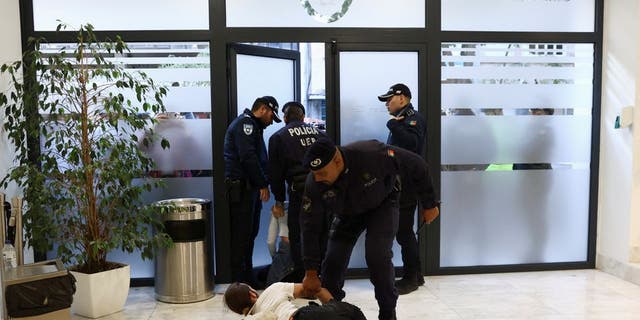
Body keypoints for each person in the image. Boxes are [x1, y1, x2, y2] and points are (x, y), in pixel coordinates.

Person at [299, 138, 440, 320]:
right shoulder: (315, 183)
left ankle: (388, 312)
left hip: (383, 204)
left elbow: (417, 164)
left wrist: (429, 204)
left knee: (377, 256)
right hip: (348, 214)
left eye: (322, 173)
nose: (317, 179)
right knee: (332, 262)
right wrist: (310, 271)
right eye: (314, 173)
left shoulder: (371, 153)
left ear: (337, 160)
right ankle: (333, 312)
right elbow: (309, 227)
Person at [224, 96, 281, 287]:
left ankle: (247, 277)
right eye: (272, 115)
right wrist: (263, 184)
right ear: (263, 109)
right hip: (242, 189)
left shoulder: (252, 126)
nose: (271, 121)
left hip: (249, 188)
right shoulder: (246, 125)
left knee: (250, 234)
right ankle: (238, 282)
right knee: (242, 236)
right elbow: (247, 157)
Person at [268, 101, 328, 282]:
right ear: (303, 117)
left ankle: (304, 277)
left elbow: (275, 174)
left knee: (298, 235)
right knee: (321, 232)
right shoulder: (320, 134)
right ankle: (322, 274)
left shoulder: (278, 137)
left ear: (285, 118)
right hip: (324, 190)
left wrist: (278, 201)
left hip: (300, 193)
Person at [377, 83, 427, 294]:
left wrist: (393, 126)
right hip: (399, 183)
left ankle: (410, 278)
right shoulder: (402, 119)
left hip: (408, 183)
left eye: (390, 99)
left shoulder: (412, 118)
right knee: (404, 232)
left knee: (404, 233)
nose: (387, 103)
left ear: (403, 98)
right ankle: (416, 274)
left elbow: (413, 145)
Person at [223, 282, 366, 320]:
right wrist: (334, 305)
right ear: (252, 294)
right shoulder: (273, 289)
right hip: (302, 316)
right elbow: (313, 288)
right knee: (353, 312)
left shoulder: (252, 318)